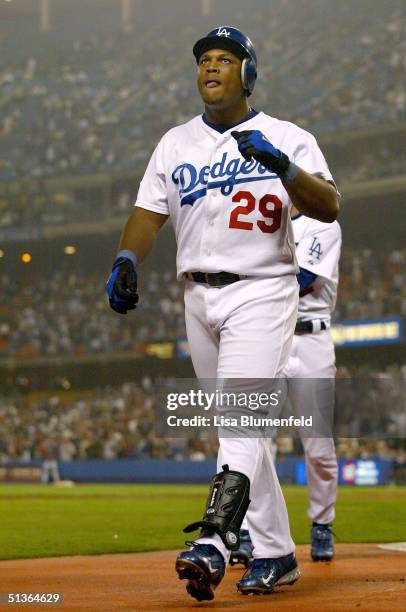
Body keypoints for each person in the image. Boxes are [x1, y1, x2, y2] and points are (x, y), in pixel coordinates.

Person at [106, 26, 339, 601]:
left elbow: (329, 206)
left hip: (262, 289)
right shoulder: (175, 143)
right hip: (197, 296)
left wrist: (284, 168)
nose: (211, 67)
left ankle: (214, 540)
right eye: (205, 60)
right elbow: (147, 211)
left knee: (239, 416)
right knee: (243, 428)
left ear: (248, 74)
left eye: (225, 59)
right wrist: (127, 256)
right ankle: (279, 553)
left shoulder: (287, 137)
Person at [231, 206, 341, 568]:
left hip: (311, 341)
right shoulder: (261, 226)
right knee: (257, 439)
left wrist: (250, 286)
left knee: (318, 442)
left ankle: (322, 523)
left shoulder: (322, 223)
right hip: (269, 336)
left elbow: (303, 277)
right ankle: (248, 531)